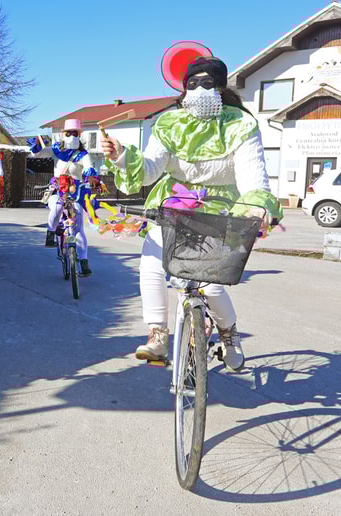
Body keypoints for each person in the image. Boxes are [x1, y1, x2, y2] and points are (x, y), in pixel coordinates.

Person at [101, 56, 283, 371]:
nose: (198, 90)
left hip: (221, 209)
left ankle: (228, 334)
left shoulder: (239, 124)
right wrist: (120, 157)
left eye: (207, 83)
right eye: (192, 84)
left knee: (211, 285)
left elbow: (253, 173)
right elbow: (149, 169)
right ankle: (157, 334)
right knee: (151, 261)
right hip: (175, 205)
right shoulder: (170, 123)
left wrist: (257, 204)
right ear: (184, 88)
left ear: (221, 87)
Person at [27, 119, 101, 276]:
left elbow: (89, 167)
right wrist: (37, 147)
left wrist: (92, 177)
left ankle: (84, 263)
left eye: (75, 133)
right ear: (63, 134)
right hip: (58, 189)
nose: (72, 136)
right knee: (57, 206)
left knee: (79, 228)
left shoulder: (82, 154)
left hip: (76, 192)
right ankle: (50, 233)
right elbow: (38, 154)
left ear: (79, 136)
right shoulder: (56, 151)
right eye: (69, 133)